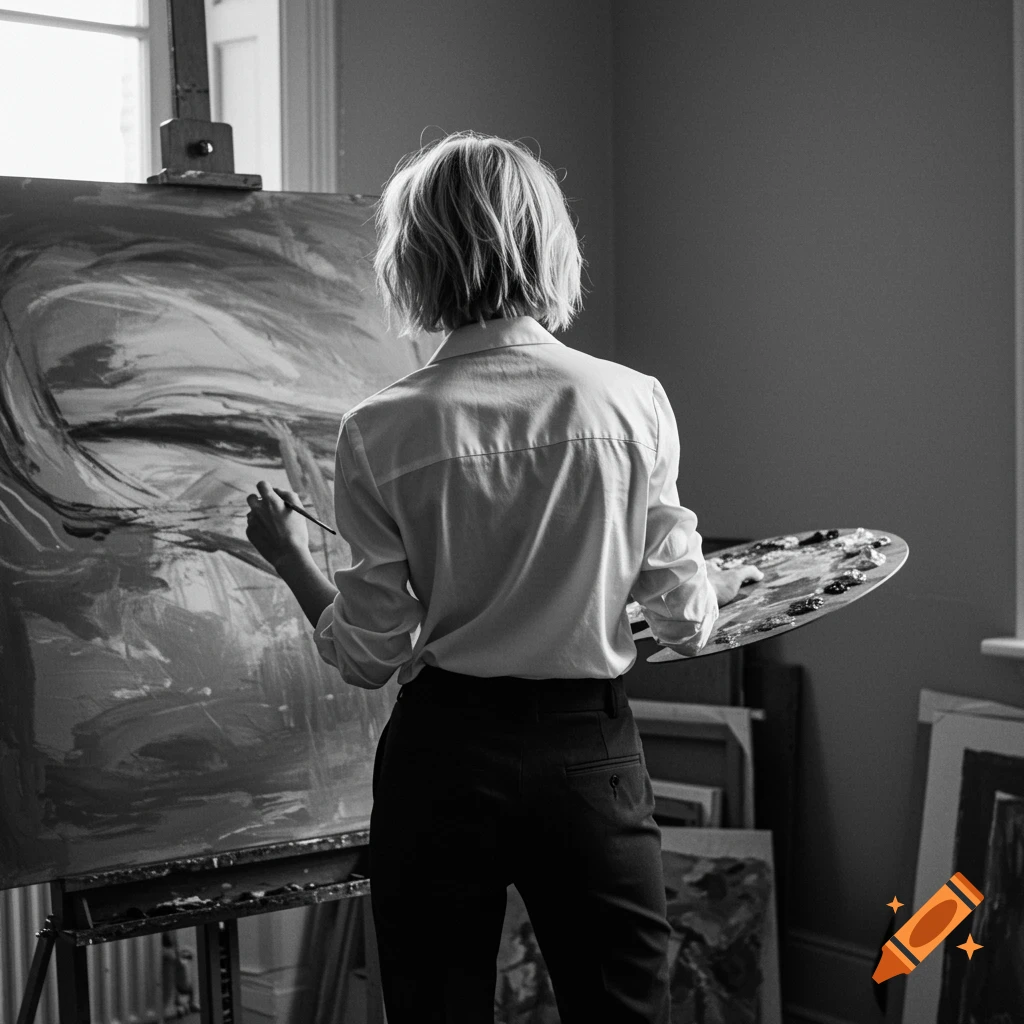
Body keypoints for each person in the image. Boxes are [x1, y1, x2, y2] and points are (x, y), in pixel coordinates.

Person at [244, 130, 762, 1024]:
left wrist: (292, 561)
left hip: (444, 754)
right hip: (587, 752)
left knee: (434, 1007)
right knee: (625, 1007)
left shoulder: (382, 428)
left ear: (414, 258)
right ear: (548, 244)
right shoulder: (632, 399)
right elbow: (685, 623)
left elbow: (371, 655)